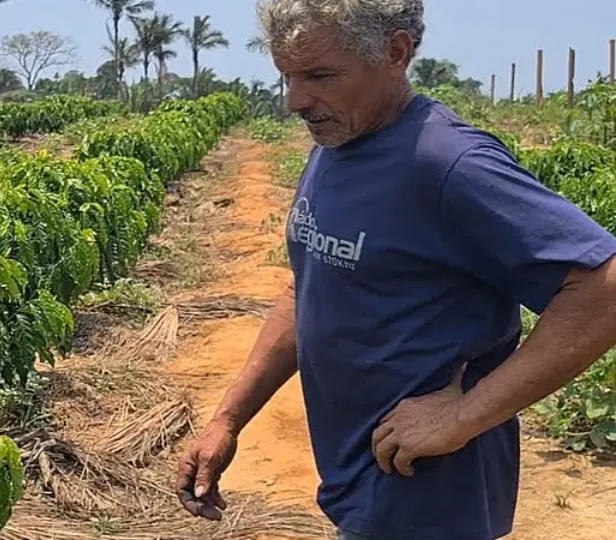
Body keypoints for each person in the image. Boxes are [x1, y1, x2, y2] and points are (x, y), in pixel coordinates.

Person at [175, 0, 616, 538]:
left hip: (425, 497)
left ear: (396, 52)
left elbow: (602, 287)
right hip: (359, 485)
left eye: (319, 75)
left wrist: (463, 416)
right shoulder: (337, 141)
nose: (294, 100)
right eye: (286, 76)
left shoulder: (449, 163)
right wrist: (228, 419)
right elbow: (312, 287)